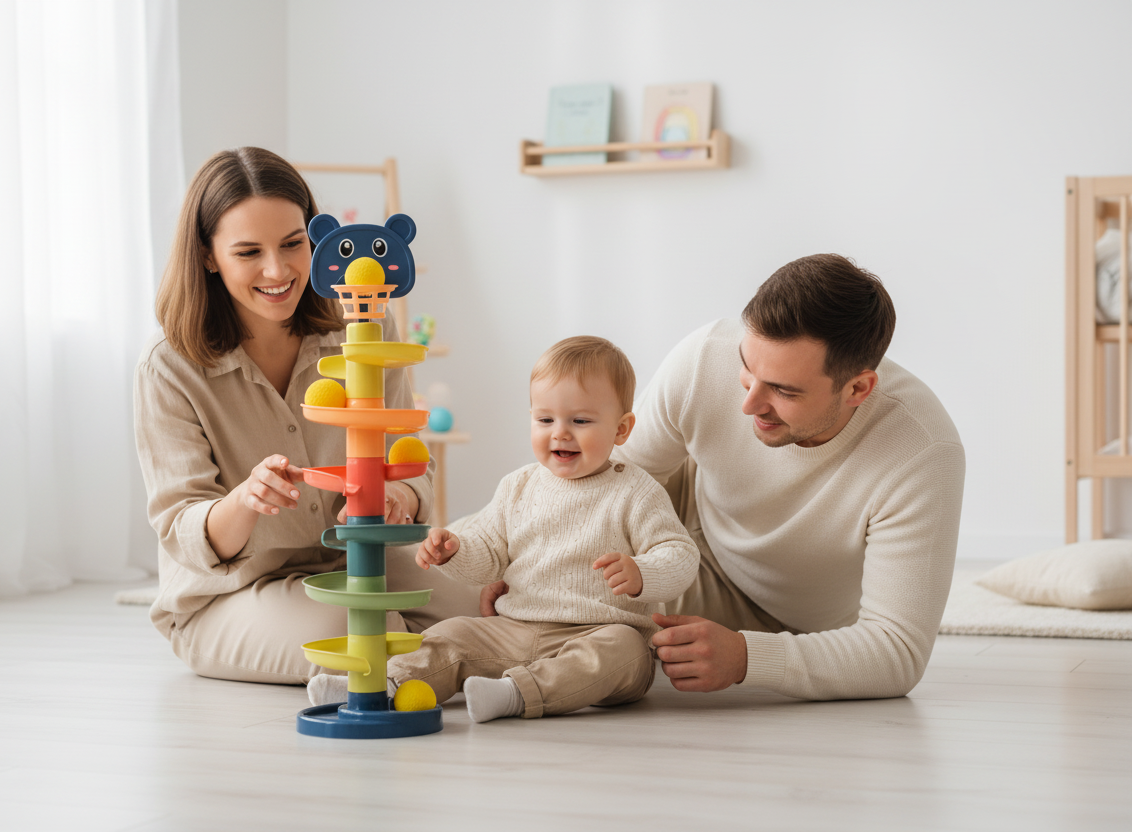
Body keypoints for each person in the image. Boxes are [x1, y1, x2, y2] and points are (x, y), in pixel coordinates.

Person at [133, 147, 479, 685]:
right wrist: (245, 501)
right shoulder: (170, 368)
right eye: (249, 252)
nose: (278, 270)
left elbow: (408, 461)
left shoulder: (363, 323)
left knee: (491, 601)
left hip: (356, 561)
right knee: (372, 632)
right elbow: (184, 529)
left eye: (294, 244)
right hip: (228, 596)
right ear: (208, 256)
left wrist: (400, 497)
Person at [608, 253, 967, 701]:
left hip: (780, 615)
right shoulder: (704, 358)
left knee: (606, 649)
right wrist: (521, 562)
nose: (749, 404)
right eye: (747, 369)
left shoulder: (921, 452)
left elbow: (897, 651)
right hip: (677, 517)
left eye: (783, 390)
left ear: (858, 389)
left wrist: (745, 657)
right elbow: (602, 480)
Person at [308, 336, 700, 722]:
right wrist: (456, 550)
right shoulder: (518, 486)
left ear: (621, 430)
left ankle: (516, 694)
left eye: (580, 421)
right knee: (454, 634)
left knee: (625, 649)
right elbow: (488, 555)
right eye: (545, 419)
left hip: (597, 631)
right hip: (514, 630)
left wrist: (641, 573)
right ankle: (377, 689)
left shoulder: (635, 490)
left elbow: (680, 555)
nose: (560, 432)